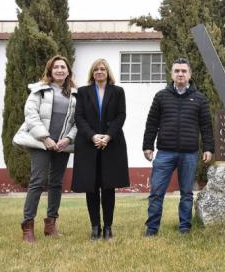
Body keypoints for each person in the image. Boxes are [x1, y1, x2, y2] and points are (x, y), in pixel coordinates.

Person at [143, 57, 214, 236]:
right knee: (156, 192)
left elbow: (206, 126)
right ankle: (152, 229)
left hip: (189, 153)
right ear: (172, 74)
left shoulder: (200, 99)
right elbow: (152, 123)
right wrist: (147, 145)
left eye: (184, 71)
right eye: (177, 71)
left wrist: (208, 148)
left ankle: (185, 228)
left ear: (190, 74)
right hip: (164, 153)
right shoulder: (161, 96)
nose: (180, 74)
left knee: (187, 193)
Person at [19, 55, 77, 243]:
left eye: (63, 67)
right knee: (37, 181)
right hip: (41, 143)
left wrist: (68, 139)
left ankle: (50, 224)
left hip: (62, 145)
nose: (60, 70)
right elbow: (31, 115)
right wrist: (45, 138)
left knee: (56, 183)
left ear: (68, 71)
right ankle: (28, 226)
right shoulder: (39, 90)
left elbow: (79, 121)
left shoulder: (76, 94)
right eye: (56, 67)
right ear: (50, 71)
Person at [71, 58, 130, 240]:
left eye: (102, 69)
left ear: (107, 72)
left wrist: (108, 136)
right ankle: (95, 227)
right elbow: (79, 117)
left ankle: (108, 228)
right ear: (92, 73)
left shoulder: (118, 91)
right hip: (88, 145)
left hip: (112, 145)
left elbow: (121, 116)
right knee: (91, 187)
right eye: (96, 69)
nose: (99, 71)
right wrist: (93, 136)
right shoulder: (82, 92)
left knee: (108, 188)